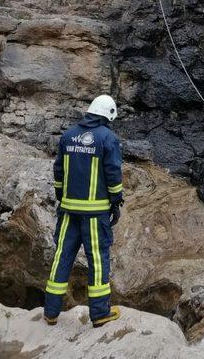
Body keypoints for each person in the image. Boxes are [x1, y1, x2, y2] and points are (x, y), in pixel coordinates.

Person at [44, 94, 124, 328]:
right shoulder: (108, 138)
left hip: (68, 211)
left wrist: (62, 197)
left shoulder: (68, 135)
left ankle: (50, 313)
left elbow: (58, 171)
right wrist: (116, 201)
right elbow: (113, 174)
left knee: (61, 258)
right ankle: (99, 313)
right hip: (95, 214)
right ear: (108, 114)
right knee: (97, 261)